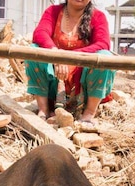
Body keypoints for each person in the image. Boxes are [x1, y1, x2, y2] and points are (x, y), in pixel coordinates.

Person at [24, 0, 115, 131]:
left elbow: (102, 44)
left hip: (83, 86)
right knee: (34, 50)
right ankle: (44, 109)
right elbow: (40, 33)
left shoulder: (98, 16)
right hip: (55, 80)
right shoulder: (53, 12)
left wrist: (70, 59)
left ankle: (88, 113)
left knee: (105, 57)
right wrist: (57, 55)